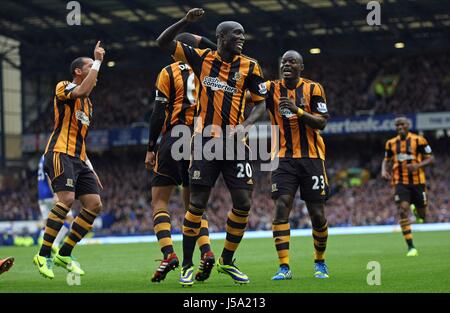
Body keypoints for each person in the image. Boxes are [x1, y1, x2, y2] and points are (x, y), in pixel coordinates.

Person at [157, 8, 267, 286]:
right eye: (236, 34)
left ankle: (226, 261)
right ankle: (186, 265)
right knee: (196, 204)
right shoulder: (202, 58)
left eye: (243, 34)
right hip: (205, 142)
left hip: (235, 144)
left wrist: (245, 126)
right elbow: (162, 42)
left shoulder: (251, 66)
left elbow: (261, 103)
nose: (242, 38)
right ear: (221, 37)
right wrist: (184, 21)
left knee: (243, 203)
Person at [145, 33, 216, 283]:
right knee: (194, 205)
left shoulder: (168, 72)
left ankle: (169, 254)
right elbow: (217, 48)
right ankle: (206, 251)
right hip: (201, 139)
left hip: (175, 136)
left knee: (159, 201)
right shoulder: (211, 68)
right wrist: (201, 39)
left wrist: (151, 147)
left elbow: (158, 112)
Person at [33, 41, 105, 279]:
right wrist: (97, 60)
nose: (94, 71)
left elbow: (81, 138)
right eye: (89, 66)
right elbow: (83, 89)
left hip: (79, 158)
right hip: (59, 153)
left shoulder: (89, 104)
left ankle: (65, 253)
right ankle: (43, 254)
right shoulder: (64, 87)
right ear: (78, 71)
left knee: (94, 204)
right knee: (66, 199)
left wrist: (91, 168)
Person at [263, 50, 331, 280]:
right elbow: (251, 97)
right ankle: (284, 267)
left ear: (301, 67)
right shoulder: (271, 88)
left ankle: (320, 261)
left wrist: (297, 110)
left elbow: (321, 122)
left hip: (312, 158)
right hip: (282, 157)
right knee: (282, 206)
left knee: (317, 214)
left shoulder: (314, 88)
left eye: (292, 62)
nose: (286, 65)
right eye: (283, 61)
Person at [381, 116, 434, 256]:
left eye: (402, 124)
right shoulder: (390, 143)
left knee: (423, 215)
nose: (399, 127)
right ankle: (411, 247)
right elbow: (386, 160)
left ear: (408, 125)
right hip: (400, 182)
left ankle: (416, 211)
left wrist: (418, 165)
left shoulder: (419, 140)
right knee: (402, 210)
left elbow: (431, 158)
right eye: (397, 125)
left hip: (418, 183)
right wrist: (384, 170)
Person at [37, 154, 73, 253]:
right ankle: (55, 244)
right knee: (69, 218)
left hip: (42, 195)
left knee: (48, 223)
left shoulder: (43, 156)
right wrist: (56, 193)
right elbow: (50, 175)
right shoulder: (52, 154)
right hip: (50, 193)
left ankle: (44, 251)